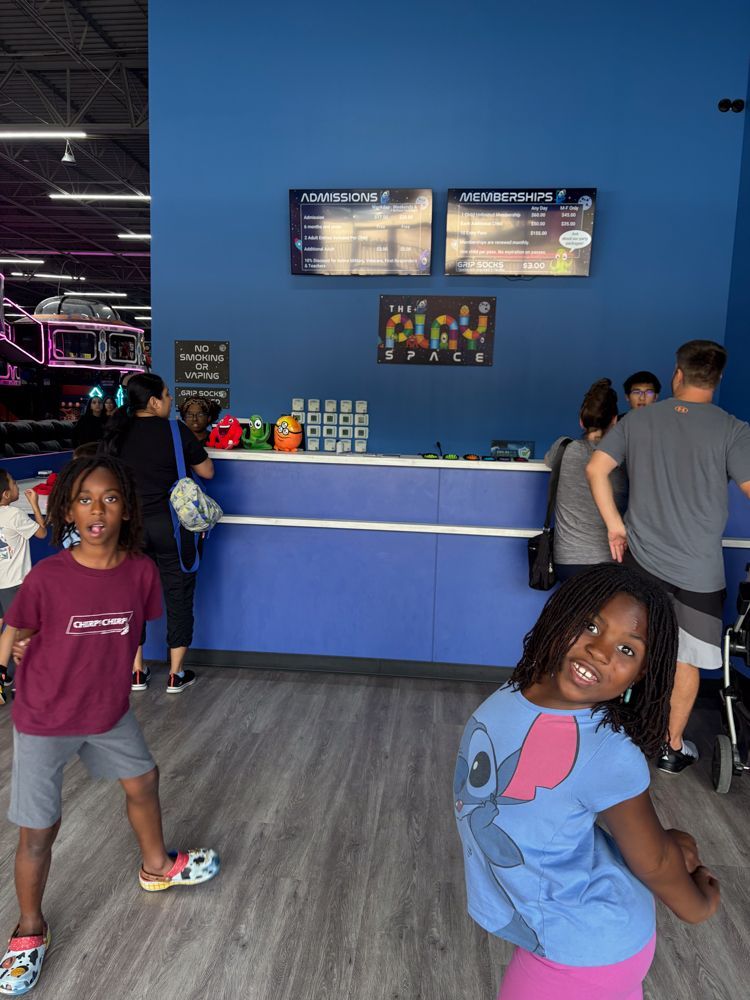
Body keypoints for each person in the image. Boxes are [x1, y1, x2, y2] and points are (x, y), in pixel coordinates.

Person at [0, 455, 219, 995]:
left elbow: (129, 630)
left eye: (110, 499)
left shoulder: (141, 572)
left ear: (127, 509)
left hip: (106, 711)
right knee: (39, 831)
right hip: (45, 717)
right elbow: (17, 629)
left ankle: (156, 865)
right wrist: (15, 651)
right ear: (67, 511)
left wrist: (121, 667)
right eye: (85, 500)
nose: (97, 510)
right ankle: (28, 931)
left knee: (144, 780)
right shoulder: (48, 576)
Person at [454, 564, 720, 1000]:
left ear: (641, 674)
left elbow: (655, 863)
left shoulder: (606, 752)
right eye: (591, 625)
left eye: (627, 649)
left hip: (585, 949)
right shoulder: (523, 689)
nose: (599, 650)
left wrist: (698, 906)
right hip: (562, 929)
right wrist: (671, 845)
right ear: (562, 616)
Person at [587, 340, 750, 773]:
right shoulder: (733, 429)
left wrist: (615, 525)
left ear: (677, 374)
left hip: (640, 561)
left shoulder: (639, 421)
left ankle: (609, 734)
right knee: (686, 659)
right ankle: (669, 747)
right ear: (717, 379)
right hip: (698, 571)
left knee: (627, 644)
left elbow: (595, 468)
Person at [103, 373, 214, 693]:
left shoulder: (117, 433)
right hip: (173, 528)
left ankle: (137, 671)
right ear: (153, 402)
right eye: (166, 395)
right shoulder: (175, 431)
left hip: (130, 528)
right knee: (178, 594)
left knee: (132, 595)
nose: (170, 400)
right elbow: (207, 471)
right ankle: (175, 675)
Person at [544, 379, 627, 581]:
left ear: (582, 420)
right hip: (612, 557)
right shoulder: (622, 458)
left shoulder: (562, 448)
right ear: (614, 421)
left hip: (567, 559)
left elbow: (547, 461)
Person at [0, 470, 47, 701]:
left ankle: (6, 676)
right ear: (6, 494)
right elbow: (41, 533)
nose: (17, 485)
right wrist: (34, 505)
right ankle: (19, 683)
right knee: (19, 632)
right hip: (14, 584)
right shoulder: (14, 514)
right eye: (14, 483)